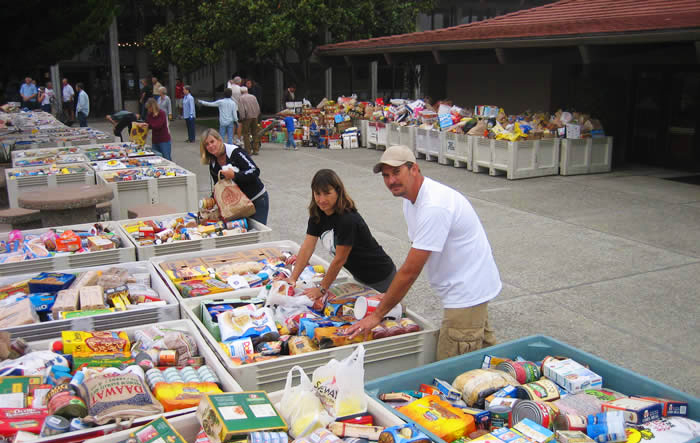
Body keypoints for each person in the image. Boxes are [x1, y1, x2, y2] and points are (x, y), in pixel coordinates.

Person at [347, 145, 501, 360]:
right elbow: (418, 251)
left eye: (396, 172)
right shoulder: (411, 201)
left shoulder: (434, 206)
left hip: (466, 292)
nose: (391, 181)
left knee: (452, 367)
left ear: (414, 169)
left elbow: (411, 270)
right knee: (487, 359)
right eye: (386, 175)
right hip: (469, 286)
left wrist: (377, 315)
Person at [287, 169, 396, 299]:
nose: (321, 200)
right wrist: (293, 278)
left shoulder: (347, 219)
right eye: (317, 194)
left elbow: (339, 260)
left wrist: (321, 289)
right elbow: (307, 247)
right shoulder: (317, 214)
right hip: (359, 277)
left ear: (338, 191)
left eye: (327, 193)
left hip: (381, 277)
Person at [200, 128, 269, 224]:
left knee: (257, 234)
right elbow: (219, 187)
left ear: (219, 140)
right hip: (238, 206)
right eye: (207, 144)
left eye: (212, 141)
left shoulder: (235, 152)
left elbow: (255, 171)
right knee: (242, 235)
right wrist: (211, 201)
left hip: (256, 199)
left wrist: (235, 175)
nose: (211, 146)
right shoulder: (213, 164)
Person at [238, 86, 261, 155]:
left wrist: (242, 118)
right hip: (255, 116)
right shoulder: (253, 97)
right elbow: (257, 107)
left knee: (245, 133)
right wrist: (257, 115)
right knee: (255, 133)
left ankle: (248, 150)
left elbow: (241, 109)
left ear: (241, 92)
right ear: (247, 91)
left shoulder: (241, 98)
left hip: (246, 117)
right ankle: (256, 149)